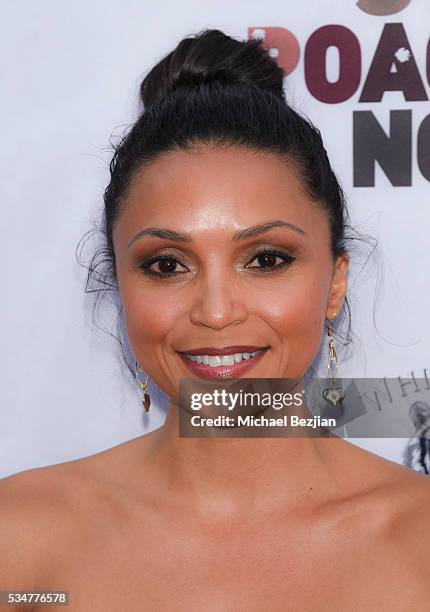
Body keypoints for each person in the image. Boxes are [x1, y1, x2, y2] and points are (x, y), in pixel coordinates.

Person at [1, 28, 429, 610]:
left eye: (267, 259)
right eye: (167, 264)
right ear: (120, 286)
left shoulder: (418, 543)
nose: (217, 311)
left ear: (335, 284)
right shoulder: (19, 541)